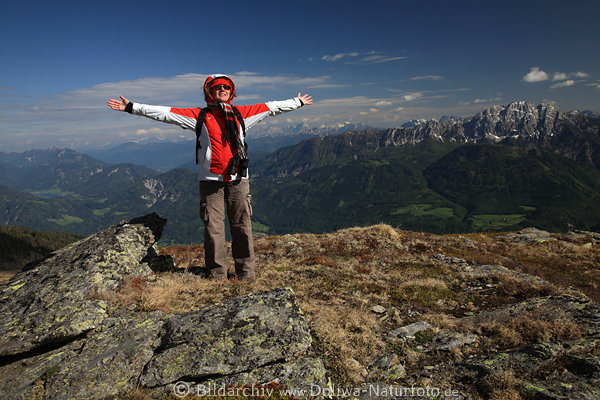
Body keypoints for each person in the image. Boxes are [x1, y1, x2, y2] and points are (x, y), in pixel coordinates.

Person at [107, 74, 313, 280]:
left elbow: (271, 108)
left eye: (226, 87)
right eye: (217, 87)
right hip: (210, 180)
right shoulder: (199, 115)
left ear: (231, 92)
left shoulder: (243, 113)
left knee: (242, 224)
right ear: (209, 92)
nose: (222, 89)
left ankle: (246, 274)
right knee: (213, 228)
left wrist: (297, 102)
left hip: (238, 178)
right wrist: (132, 107)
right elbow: (165, 113)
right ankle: (217, 275)